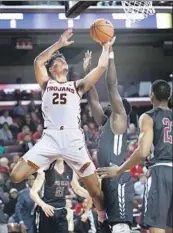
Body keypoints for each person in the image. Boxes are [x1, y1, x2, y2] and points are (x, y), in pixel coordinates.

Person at [11, 29, 114, 231]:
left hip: (73, 139)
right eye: (58, 60)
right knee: (16, 176)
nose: (63, 61)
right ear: (52, 69)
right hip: (50, 139)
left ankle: (103, 219)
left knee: (95, 190)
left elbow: (102, 67)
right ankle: (46, 165)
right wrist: (58, 44)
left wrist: (106, 46)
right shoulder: (46, 84)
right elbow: (38, 62)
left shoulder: (77, 85)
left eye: (63, 59)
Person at [97, 80, 172, 233]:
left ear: (152, 95)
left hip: (161, 172)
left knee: (157, 226)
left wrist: (119, 170)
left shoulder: (148, 117)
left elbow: (143, 151)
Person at [84, 46, 134, 233]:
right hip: (106, 179)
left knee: (121, 228)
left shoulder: (119, 119)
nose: (106, 105)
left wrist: (110, 53)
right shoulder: (106, 124)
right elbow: (93, 100)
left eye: (111, 104)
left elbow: (112, 86)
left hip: (118, 177)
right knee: (107, 228)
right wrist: (88, 72)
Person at [30, 159, 91, 233]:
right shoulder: (45, 170)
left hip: (61, 211)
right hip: (46, 211)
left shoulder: (69, 171)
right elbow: (33, 193)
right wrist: (43, 205)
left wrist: (91, 196)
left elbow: (78, 189)